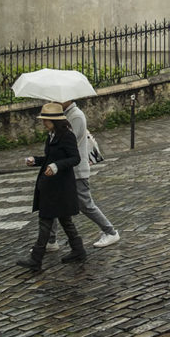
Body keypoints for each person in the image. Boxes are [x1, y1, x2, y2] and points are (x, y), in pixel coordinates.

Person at [16, 103, 86, 270]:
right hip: (51, 185)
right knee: (64, 219)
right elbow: (49, 158)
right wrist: (35, 160)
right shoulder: (51, 136)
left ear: (54, 120)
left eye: (46, 120)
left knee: (46, 220)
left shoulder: (67, 136)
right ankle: (78, 249)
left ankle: (36, 258)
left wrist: (56, 166)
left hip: (60, 186)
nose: (43, 123)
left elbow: (75, 158)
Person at [45, 99, 120, 250]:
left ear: (69, 99)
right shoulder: (66, 114)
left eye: (59, 99)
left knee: (85, 204)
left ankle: (110, 231)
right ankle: (50, 240)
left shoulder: (76, 116)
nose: (55, 101)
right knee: (52, 202)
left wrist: (55, 128)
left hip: (76, 169)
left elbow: (67, 141)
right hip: (65, 169)